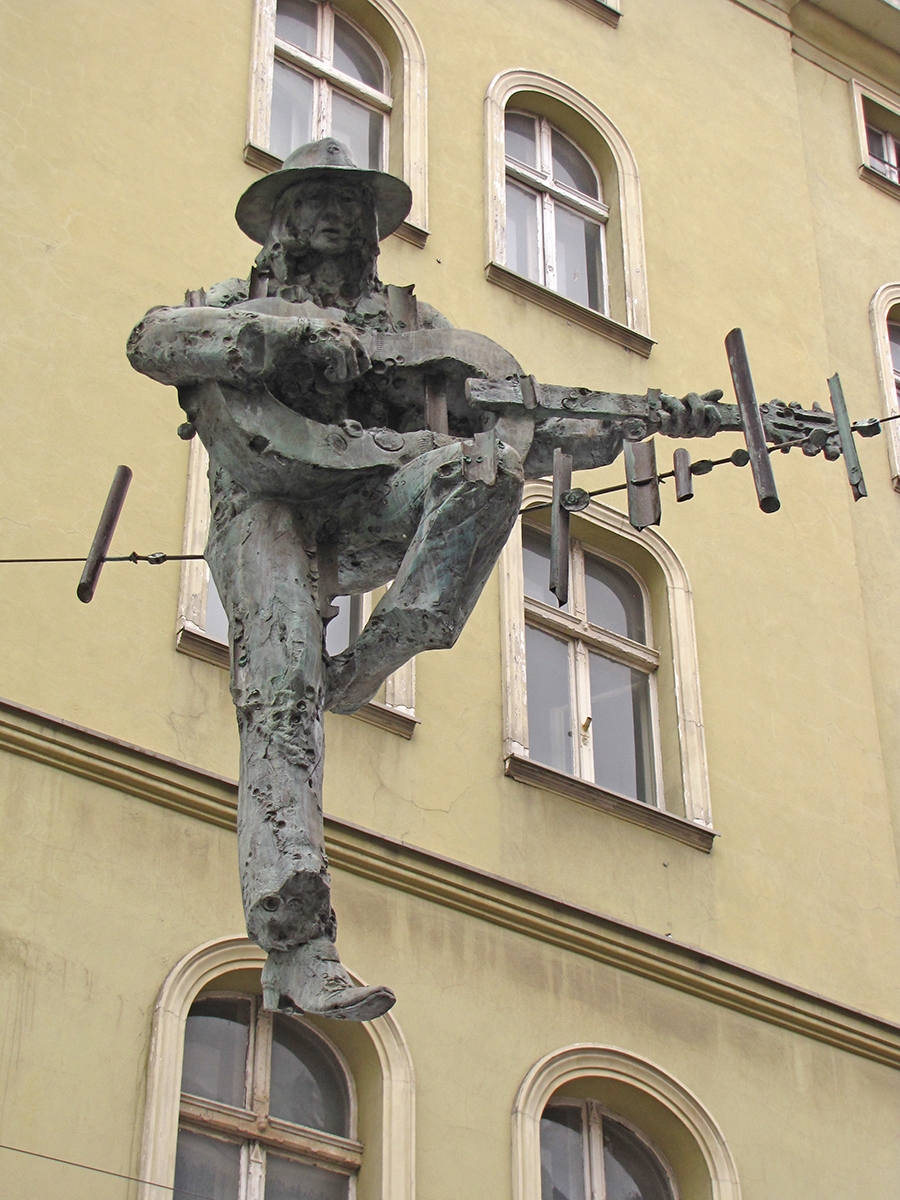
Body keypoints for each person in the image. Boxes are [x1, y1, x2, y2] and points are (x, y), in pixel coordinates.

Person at [127, 139, 721, 1019]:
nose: (335, 215)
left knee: (486, 471)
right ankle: (298, 943)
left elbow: (513, 411)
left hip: (373, 495)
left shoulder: (412, 325)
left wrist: (649, 420)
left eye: (351, 203)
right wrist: (281, 336)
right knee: (282, 682)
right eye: (315, 199)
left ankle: (383, 649)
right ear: (283, 221)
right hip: (268, 506)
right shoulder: (236, 300)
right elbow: (151, 340)